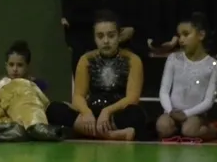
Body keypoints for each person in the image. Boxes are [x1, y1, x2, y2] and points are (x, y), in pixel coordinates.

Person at [45, 10, 147, 141]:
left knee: (136, 114)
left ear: (119, 36)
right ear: (94, 38)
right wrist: (86, 113)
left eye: (111, 36)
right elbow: (78, 96)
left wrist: (107, 111)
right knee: (53, 109)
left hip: (117, 114)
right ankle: (112, 135)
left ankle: (86, 132)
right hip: (91, 113)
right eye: (100, 36)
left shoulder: (132, 60)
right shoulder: (86, 59)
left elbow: (132, 98)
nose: (106, 41)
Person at [156, 13, 217, 142]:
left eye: (186, 34)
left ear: (201, 35)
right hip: (172, 112)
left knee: (189, 130)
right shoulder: (173, 59)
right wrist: (170, 111)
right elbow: (164, 91)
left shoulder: (213, 65)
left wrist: (186, 114)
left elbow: (209, 100)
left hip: (195, 115)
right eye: (179, 35)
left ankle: (212, 131)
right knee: (162, 127)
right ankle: (178, 129)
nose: (181, 40)